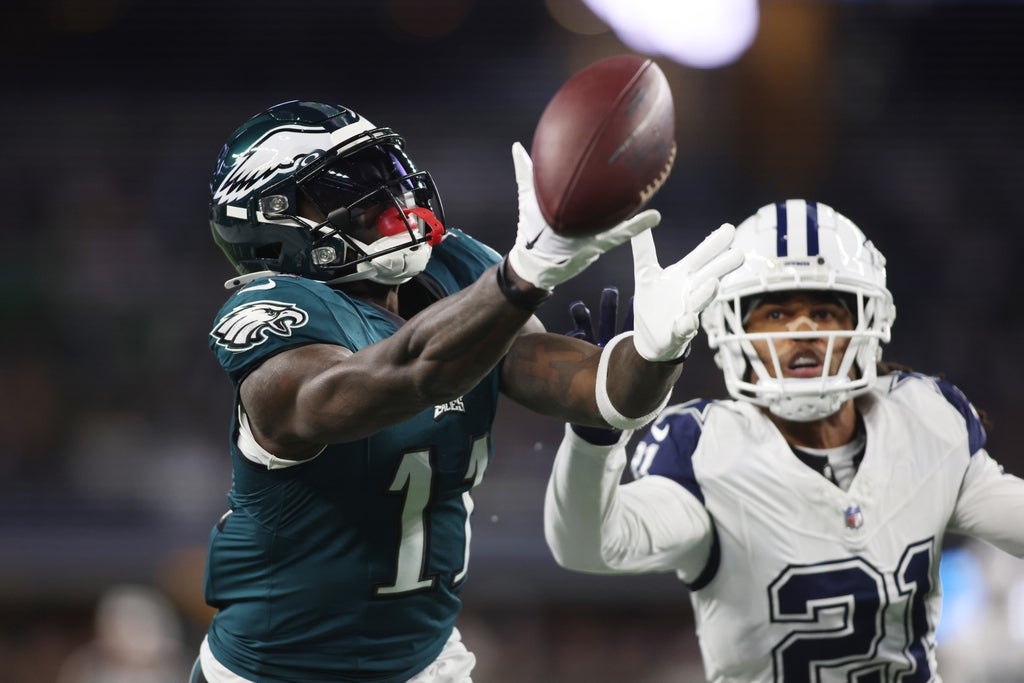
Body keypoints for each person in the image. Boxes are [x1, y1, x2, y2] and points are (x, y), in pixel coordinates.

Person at [191, 99, 743, 683]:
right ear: (270, 219)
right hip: (276, 672)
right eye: (346, 188)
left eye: (386, 176)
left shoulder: (450, 271)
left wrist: (656, 353)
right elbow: (402, 377)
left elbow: (598, 393)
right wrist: (517, 279)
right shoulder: (271, 317)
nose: (389, 202)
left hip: (426, 663)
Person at [544, 199, 1024, 682]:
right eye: (775, 314)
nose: (802, 330)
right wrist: (595, 438)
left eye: (823, 311)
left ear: (865, 323)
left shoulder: (924, 421)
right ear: (733, 330)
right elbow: (587, 544)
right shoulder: (706, 449)